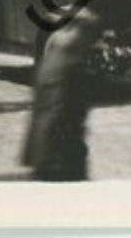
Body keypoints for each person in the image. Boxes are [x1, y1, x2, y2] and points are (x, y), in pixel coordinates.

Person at [21, 9, 103, 182]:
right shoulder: (71, 65)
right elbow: (65, 111)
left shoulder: (52, 58)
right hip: (59, 156)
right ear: (78, 33)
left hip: (42, 151)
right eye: (88, 37)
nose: (89, 44)